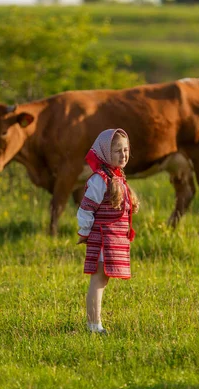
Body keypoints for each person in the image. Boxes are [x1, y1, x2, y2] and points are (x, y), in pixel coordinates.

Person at [77, 128, 140, 334]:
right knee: (98, 279)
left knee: (103, 279)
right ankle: (93, 325)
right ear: (105, 152)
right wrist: (85, 232)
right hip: (103, 238)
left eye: (126, 150)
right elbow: (86, 208)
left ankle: (94, 324)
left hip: (113, 239)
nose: (123, 155)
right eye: (117, 151)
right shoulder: (100, 179)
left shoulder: (117, 177)